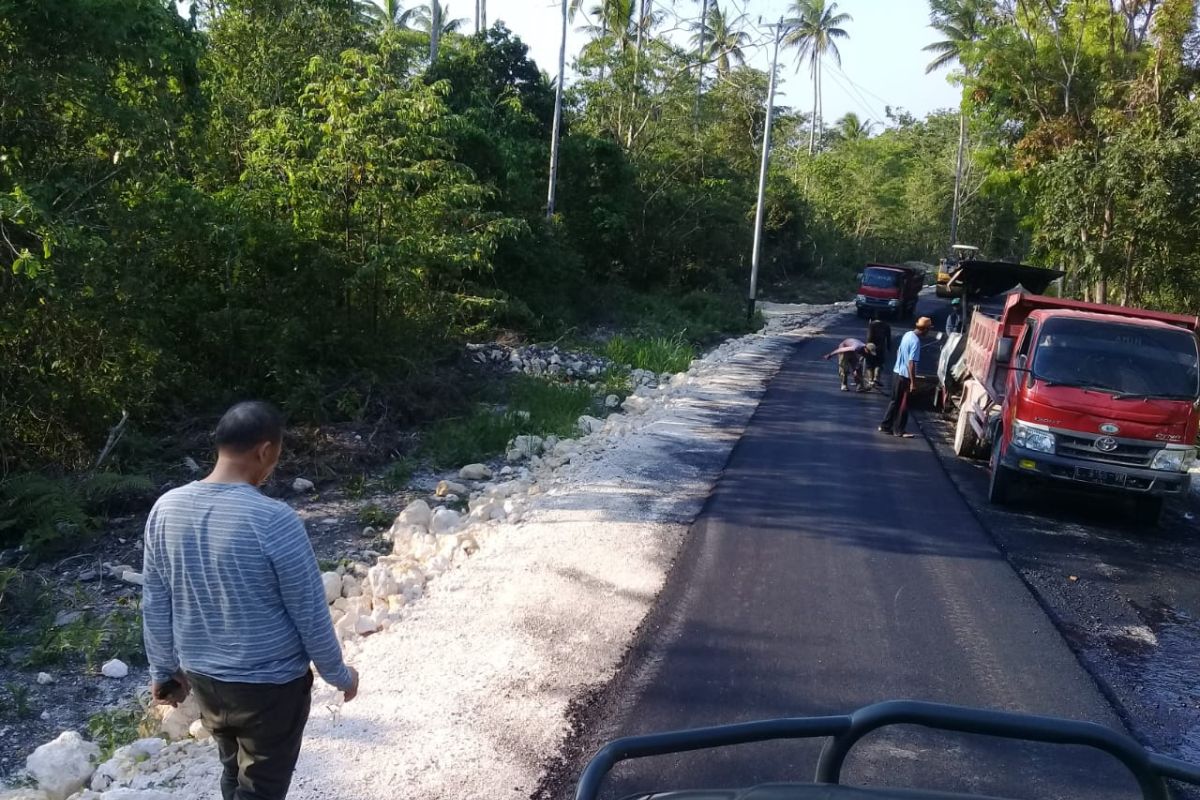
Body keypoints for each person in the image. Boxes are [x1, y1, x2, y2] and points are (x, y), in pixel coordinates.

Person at [142, 401, 359, 800]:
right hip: (270, 688)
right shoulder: (273, 519)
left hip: (206, 681)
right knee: (260, 790)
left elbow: (155, 599)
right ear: (265, 451)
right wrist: (340, 674)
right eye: (275, 455)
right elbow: (309, 613)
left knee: (234, 774)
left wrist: (164, 671)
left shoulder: (166, 509)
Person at [879, 316, 932, 437]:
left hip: (897, 372)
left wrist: (900, 363)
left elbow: (899, 350)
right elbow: (911, 363)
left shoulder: (907, 334)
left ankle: (885, 425)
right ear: (924, 329)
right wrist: (913, 382)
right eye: (928, 329)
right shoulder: (916, 342)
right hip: (905, 377)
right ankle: (899, 430)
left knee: (894, 402)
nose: (928, 332)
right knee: (904, 403)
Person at [865, 317, 893, 390]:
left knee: (869, 364)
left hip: (871, 347)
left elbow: (869, 337)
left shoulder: (872, 325)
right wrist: (889, 348)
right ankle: (876, 378)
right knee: (879, 363)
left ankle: (870, 380)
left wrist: (867, 346)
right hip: (881, 348)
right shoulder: (886, 326)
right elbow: (888, 338)